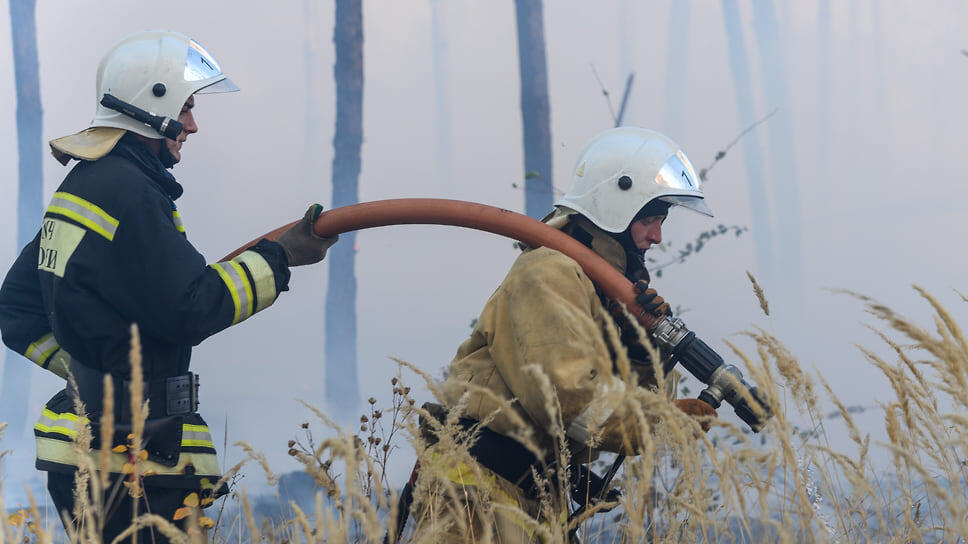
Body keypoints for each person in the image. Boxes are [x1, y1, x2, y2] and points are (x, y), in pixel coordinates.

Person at [0, 31, 337, 542]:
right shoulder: (131, 194)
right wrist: (284, 256)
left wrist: (92, 373)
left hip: (78, 456)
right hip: (135, 468)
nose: (193, 125)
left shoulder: (85, 186)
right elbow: (192, 307)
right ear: (148, 106)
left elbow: (16, 306)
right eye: (185, 108)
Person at [409, 127, 718, 543]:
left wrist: (643, 354)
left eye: (661, 221)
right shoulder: (549, 272)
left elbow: (618, 417)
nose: (657, 236)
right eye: (648, 219)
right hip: (476, 493)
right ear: (614, 207)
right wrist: (662, 419)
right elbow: (569, 402)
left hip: (528, 498)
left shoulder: (596, 291)